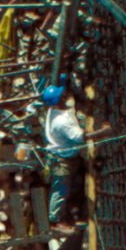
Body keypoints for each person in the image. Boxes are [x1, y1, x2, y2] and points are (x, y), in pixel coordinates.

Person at [38, 83, 86, 231]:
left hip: (62, 155)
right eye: (61, 96)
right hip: (61, 160)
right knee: (60, 189)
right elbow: (80, 137)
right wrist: (103, 133)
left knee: (65, 186)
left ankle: (68, 213)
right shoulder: (60, 122)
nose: (65, 95)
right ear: (57, 101)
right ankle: (55, 220)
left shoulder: (54, 109)